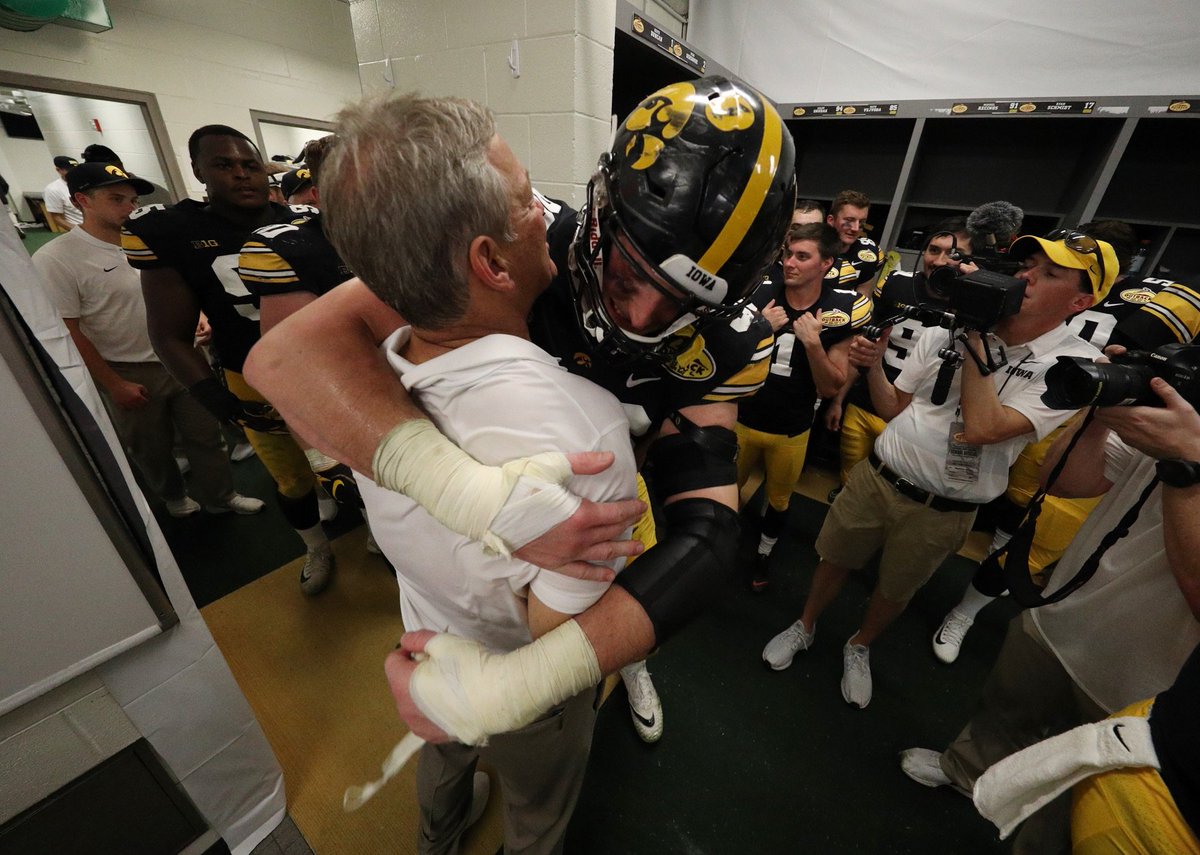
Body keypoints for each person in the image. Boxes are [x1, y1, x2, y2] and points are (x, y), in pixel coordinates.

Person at [245, 76, 796, 745]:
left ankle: (624, 655)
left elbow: (707, 532)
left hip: (613, 517)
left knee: (616, 597)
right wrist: (470, 495)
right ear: (601, 210)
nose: (642, 315)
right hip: (470, 562)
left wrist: (530, 681)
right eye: (629, 273)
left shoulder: (731, 340)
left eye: (683, 302)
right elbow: (283, 356)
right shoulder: (526, 240)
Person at [329, 93, 639, 855]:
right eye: (528, 197)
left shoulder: (360, 375)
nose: (548, 212)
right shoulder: (585, 425)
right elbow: (554, 636)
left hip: (424, 630)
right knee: (538, 815)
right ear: (490, 261)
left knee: (443, 752)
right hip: (515, 676)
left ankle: (438, 841)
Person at [761, 232, 1117, 708]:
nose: (1026, 277)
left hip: (947, 507)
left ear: (1081, 301)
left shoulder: (1073, 364)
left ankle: (860, 644)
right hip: (881, 475)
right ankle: (804, 624)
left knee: (898, 586)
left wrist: (975, 333)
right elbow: (892, 408)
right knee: (835, 557)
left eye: (1049, 273)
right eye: (1027, 265)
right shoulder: (943, 330)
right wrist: (871, 369)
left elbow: (985, 428)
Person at [900, 367, 1200, 855]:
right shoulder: (1184, 418)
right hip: (1062, 613)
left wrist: (1188, 462)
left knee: (1069, 812)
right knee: (1002, 711)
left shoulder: (1186, 442)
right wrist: (1101, 413)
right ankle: (963, 772)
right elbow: (1062, 481)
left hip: (1146, 683)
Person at [121, 124, 336, 596]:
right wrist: (219, 402)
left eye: (249, 164)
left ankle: (384, 539)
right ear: (198, 171)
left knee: (353, 467)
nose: (241, 175)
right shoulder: (173, 231)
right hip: (251, 374)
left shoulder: (306, 219)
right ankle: (316, 547)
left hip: (327, 370)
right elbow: (168, 333)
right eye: (224, 165)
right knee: (292, 479)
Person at [33, 162, 262, 517]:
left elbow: (185, 292)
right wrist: (112, 383)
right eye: (116, 199)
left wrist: (199, 319)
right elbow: (68, 330)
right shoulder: (57, 259)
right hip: (129, 367)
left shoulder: (156, 243)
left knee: (206, 435)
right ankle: (174, 497)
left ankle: (222, 495)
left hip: (181, 358)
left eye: (132, 199)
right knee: (151, 446)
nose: (129, 208)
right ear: (82, 200)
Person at [737, 222, 870, 591]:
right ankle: (718, 544)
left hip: (792, 427)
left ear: (826, 263)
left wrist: (813, 344)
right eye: (787, 254)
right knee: (727, 490)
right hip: (742, 417)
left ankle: (764, 552)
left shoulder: (840, 308)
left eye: (802, 256)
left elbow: (830, 385)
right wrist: (757, 329)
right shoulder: (760, 292)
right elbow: (724, 360)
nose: (790, 263)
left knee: (779, 500)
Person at [825, 218, 976, 493]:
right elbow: (867, 345)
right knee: (850, 476)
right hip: (868, 397)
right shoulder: (897, 283)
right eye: (933, 250)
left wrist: (976, 291)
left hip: (919, 415)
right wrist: (839, 398)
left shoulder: (975, 304)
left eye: (954, 255)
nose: (940, 261)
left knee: (892, 488)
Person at [824, 189, 879, 294]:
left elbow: (863, 299)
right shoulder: (813, 248)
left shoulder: (867, 253)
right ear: (831, 220)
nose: (855, 228)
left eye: (861, 222)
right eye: (849, 220)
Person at [42, 155, 81, 232]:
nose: (74, 173)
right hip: (80, 229)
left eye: (76, 170)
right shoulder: (53, 189)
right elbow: (56, 218)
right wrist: (80, 232)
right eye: (69, 170)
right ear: (58, 170)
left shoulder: (87, 182)